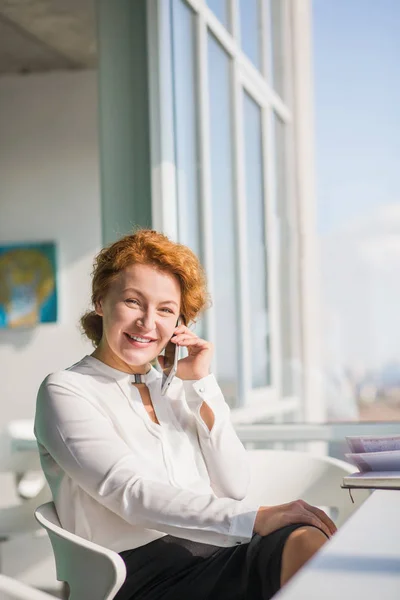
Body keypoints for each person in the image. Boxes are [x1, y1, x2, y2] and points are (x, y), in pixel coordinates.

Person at [35, 229, 336, 600]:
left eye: (165, 309)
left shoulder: (176, 388)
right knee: (301, 544)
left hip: (215, 552)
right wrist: (257, 517)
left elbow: (234, 485)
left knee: (305, 540)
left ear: (179, 324)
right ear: (101, 302)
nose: (148, 322)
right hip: (135, 576)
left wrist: (200, 384)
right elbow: (131, 494)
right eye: (133, 301)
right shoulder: (66, 389)